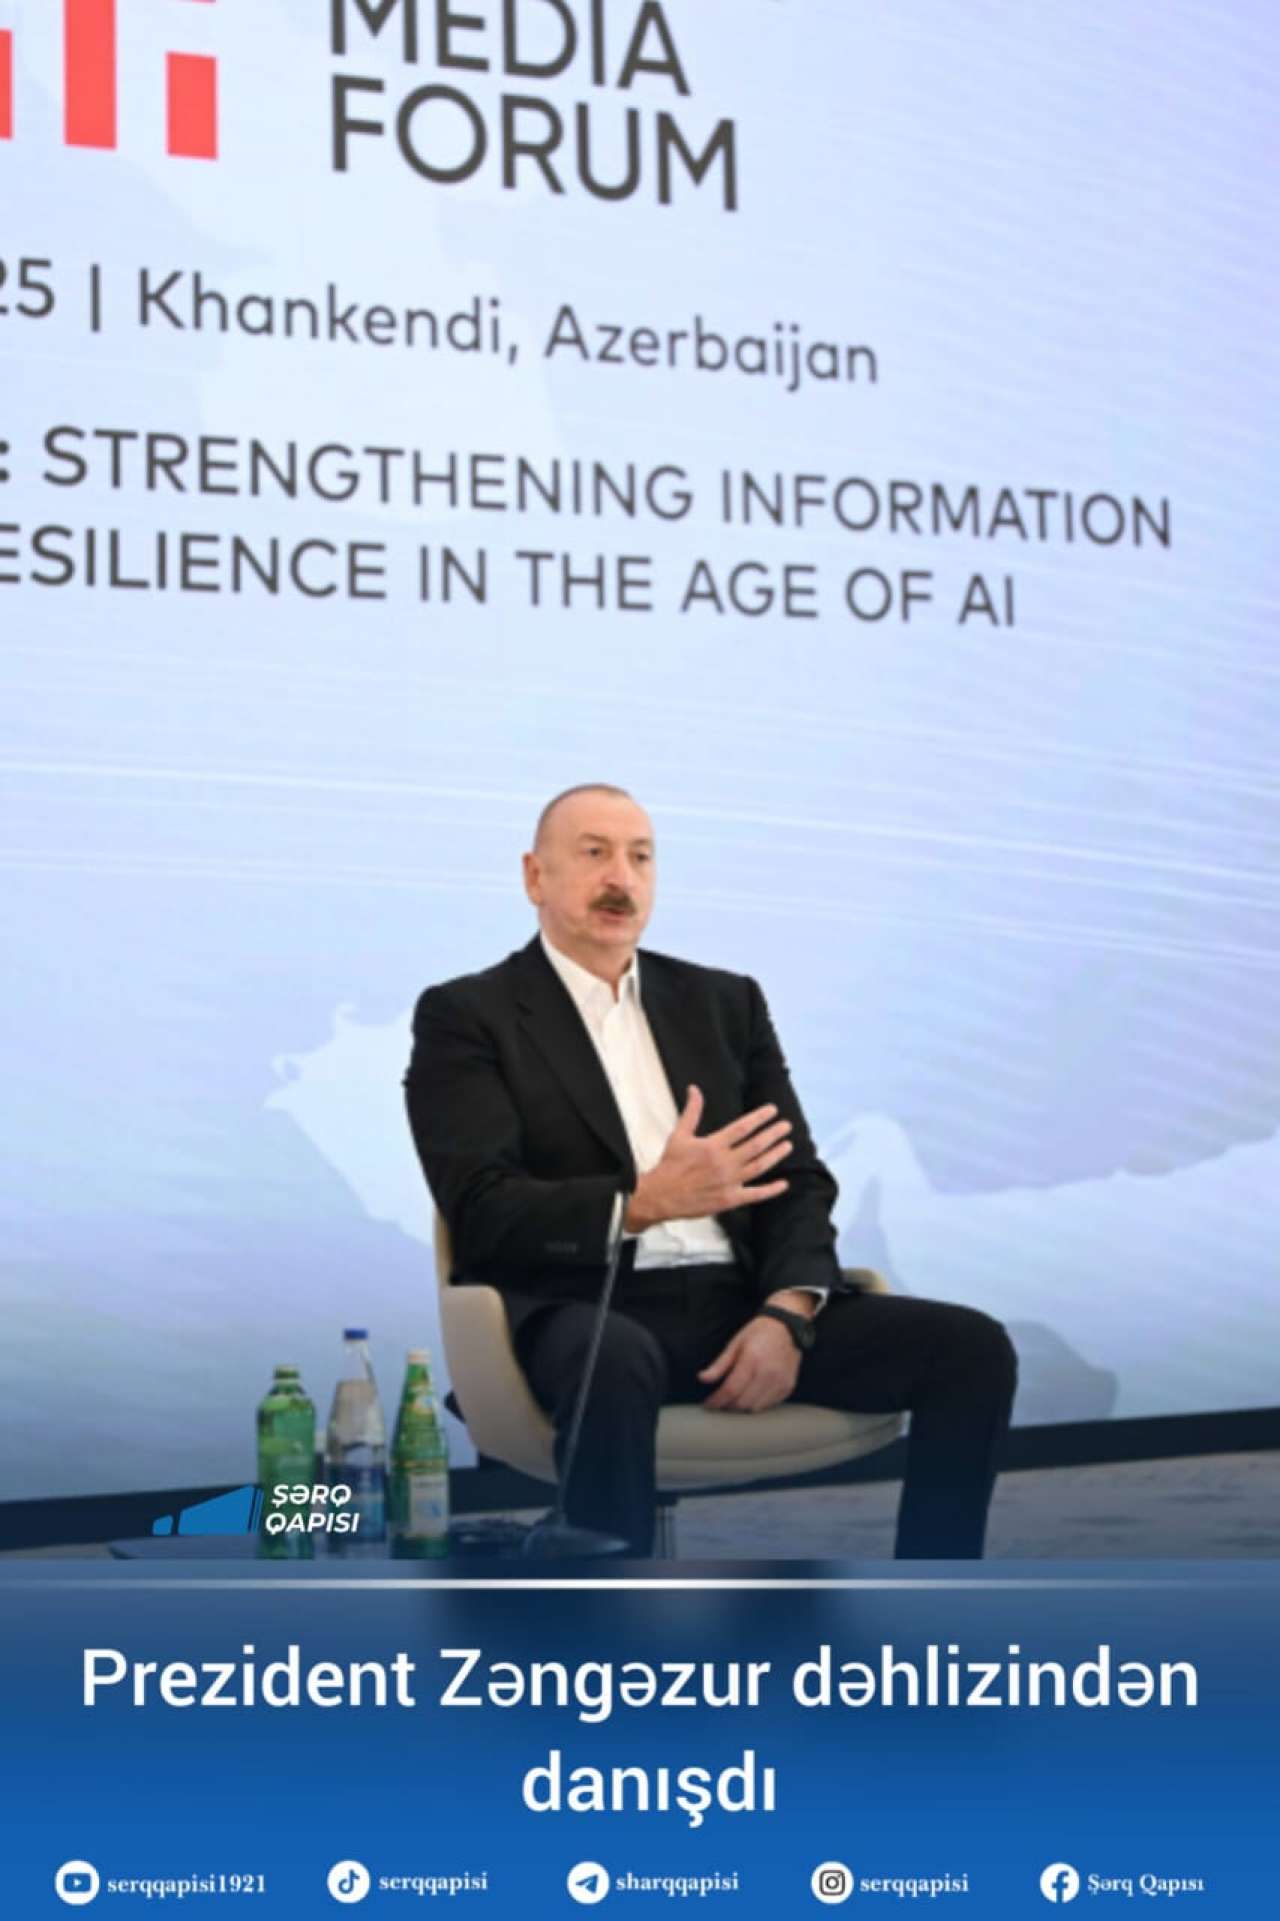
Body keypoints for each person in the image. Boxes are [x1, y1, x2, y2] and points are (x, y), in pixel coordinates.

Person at [405, 783, 1017, 1557]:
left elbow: (796, 1179)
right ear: (535, 876)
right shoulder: (468, 1015)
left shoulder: (725, 1003)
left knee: (972, 1349)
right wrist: (640, 1203)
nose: (621, 878)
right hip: (585, 1303)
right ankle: (604, 1619)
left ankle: (935, 1599)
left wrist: (787, 1314)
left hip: (741, 1303)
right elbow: (482, 1207)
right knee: (613, 1357)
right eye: (594, 853)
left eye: (641, 857)